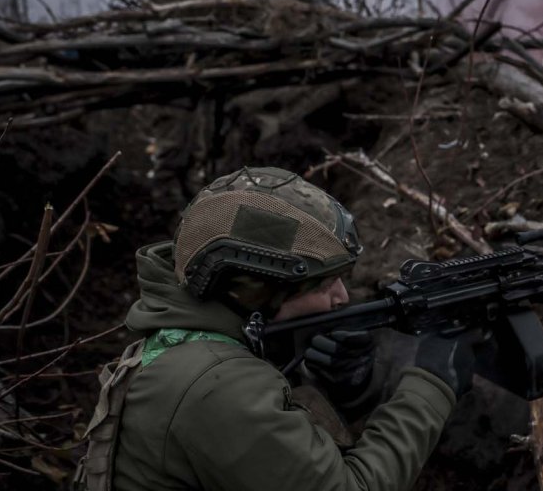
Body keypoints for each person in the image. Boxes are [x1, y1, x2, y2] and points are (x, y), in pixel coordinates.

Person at [77, 167, 478, 491]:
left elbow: (279, 449)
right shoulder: (215, 384)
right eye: (322, 285)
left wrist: (345, 390)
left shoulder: (187, 347)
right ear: (257, 290)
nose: (341, 297)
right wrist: (430, 386)